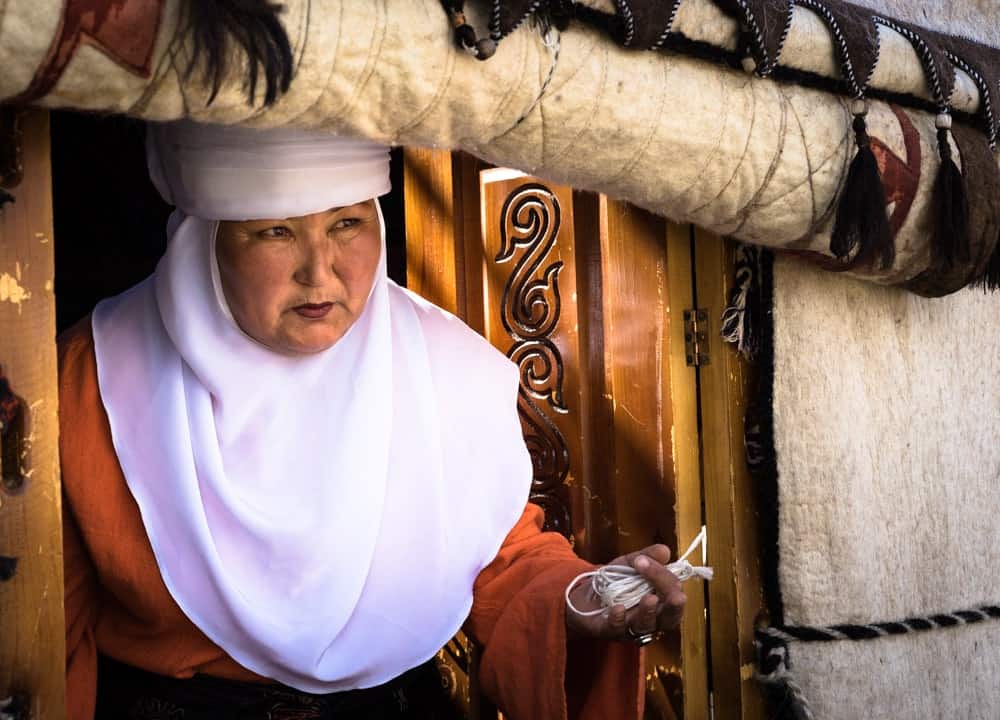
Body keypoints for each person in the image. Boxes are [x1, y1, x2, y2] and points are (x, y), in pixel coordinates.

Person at [58, 121, 686, 720]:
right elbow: (47, 627)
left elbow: (499, 557)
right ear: (206, 239)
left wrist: (585, 597)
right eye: (275, 231)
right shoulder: (99, 378)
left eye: (347, 224)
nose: (320, 270)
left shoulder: (444, 371)